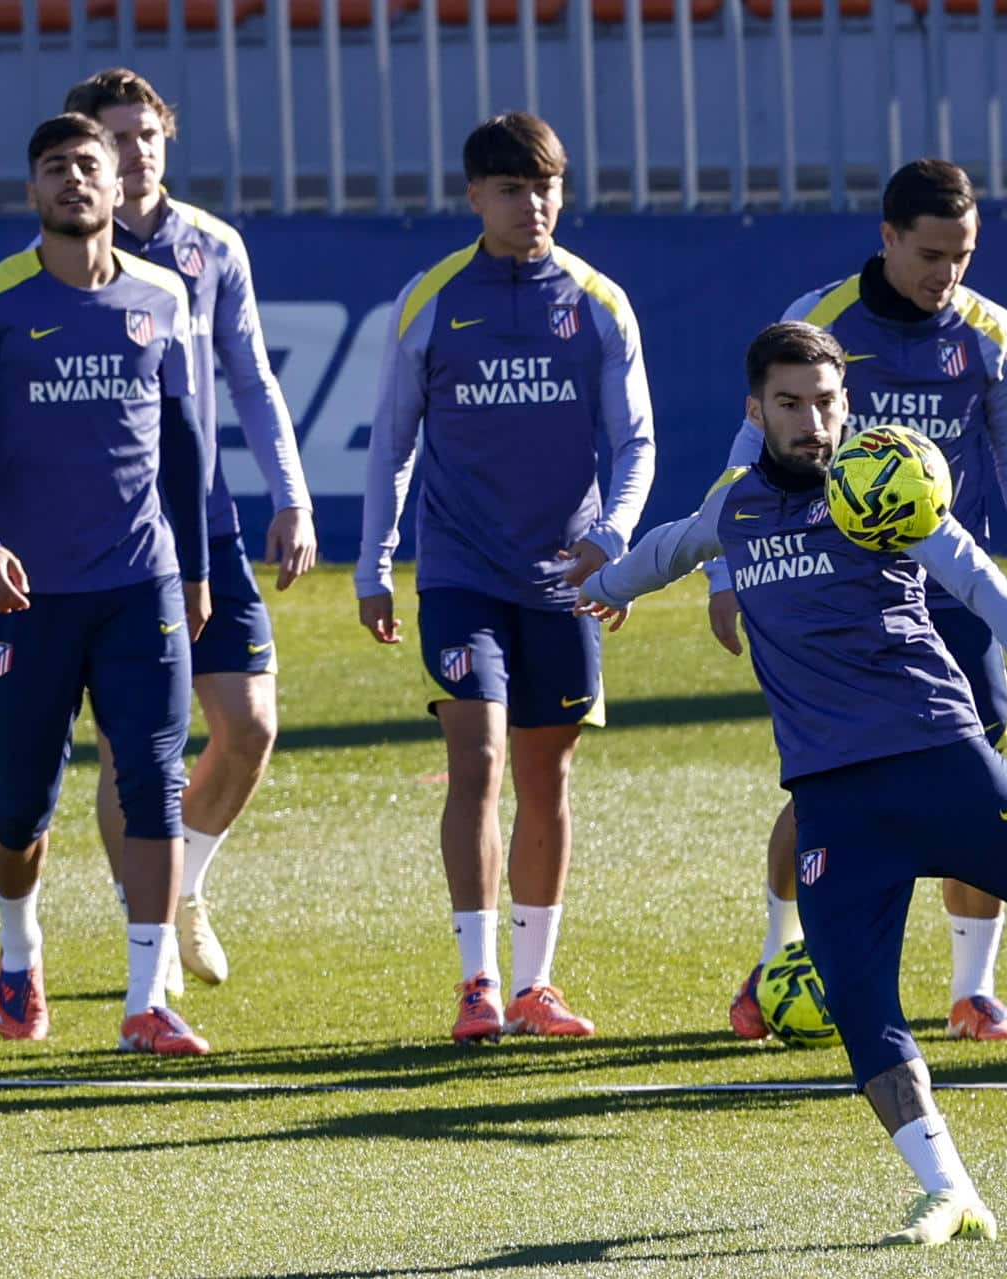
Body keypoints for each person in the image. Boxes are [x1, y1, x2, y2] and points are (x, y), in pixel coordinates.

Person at [578, 322, 1007, 1246]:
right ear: (754, 409)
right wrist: (613, 583)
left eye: (827, 401)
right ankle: (948, 1184)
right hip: (833, 800)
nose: (813, 422)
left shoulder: (881, 486)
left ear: (849, 403)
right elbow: (680, 544)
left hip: (944, 763)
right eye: (791, 403)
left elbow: (981, 584)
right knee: (860, 1003)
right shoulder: (738, 506)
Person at [705, 158, 1007, 1043]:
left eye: (964, 254)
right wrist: (723, 574)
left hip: (950, 589)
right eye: (932, 253)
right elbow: (750, 445)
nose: (948, 273)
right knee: (826, 783)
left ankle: (972, 989)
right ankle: (778, 951)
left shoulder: (989, 333)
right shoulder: (821, 321)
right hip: (839, 588)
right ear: (889, 239)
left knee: (976, 780)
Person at [357, 112, 656, 1044]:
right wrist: (374, 562)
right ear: (475, 195)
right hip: (459, 571)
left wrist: (613, 536)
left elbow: (637, 439)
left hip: (565, 576)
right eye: (513, 189)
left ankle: (535, 985)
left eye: (546, 187)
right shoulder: (435, 298)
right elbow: (391, 444)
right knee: (477, 759)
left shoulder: (599, 302)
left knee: (547, 771)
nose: (533, 205)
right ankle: (478, 982)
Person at [0, 113, 214, 1055]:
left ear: (113, 182)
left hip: (144, 584)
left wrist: (199, 568)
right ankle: (20, 949)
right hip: (30, 596)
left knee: (155, 786)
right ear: (34, 191)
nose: (76, 181)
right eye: (56, 168)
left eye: (88, 165)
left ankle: (146, 998)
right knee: (21, 806)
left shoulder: (163, 295)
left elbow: (183, 444)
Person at [63, 68, 317, 993]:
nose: (132, 155)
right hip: (110, 531)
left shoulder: (212, 246)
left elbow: (250, 378)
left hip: (205, 520)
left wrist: (291, 493)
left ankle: (184, 888)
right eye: (113, 139)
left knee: (248, 725)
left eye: (146, 136)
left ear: (167, 141)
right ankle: (151, 933)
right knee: (134, 746)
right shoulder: (64, 253)